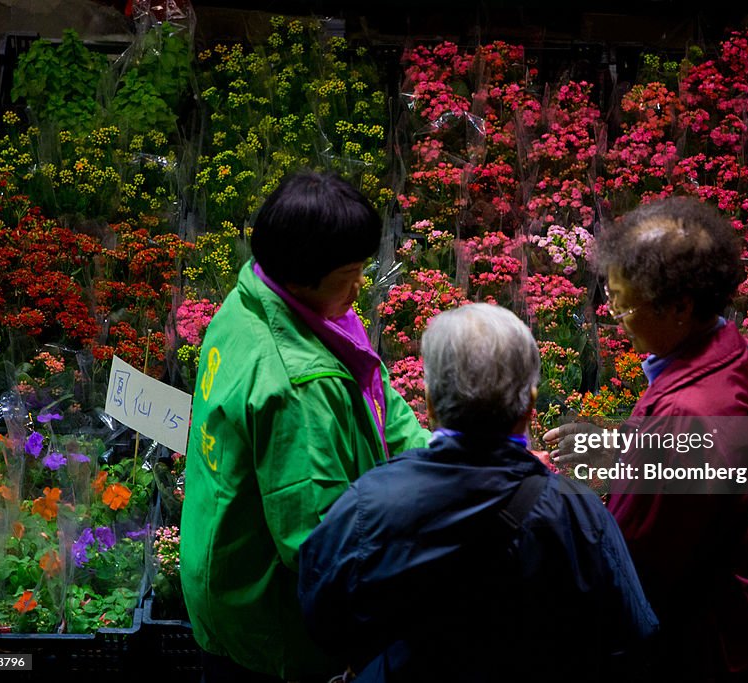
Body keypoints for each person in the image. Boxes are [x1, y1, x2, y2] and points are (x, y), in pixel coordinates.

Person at [298, 303, 659, 682]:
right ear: (531, 405)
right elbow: (632, 637)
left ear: (432, 404)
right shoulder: (578, 512)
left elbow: (322, 621)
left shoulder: (369, 503)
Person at [545, 196, 748, 681]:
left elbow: (633, 557)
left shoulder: (684, 413)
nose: (613, 315)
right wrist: (625, 449)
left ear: (679, 307)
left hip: (722, 642)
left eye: (624, 304)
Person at [180, 171, 431, 682]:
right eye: (351, 272)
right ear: (302, 274)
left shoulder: (252, 298)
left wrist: (444, 453)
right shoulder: (298, 388)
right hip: (271, 622)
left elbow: (375, 393)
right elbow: (321, 543)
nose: (361, 284)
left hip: (223, 565)